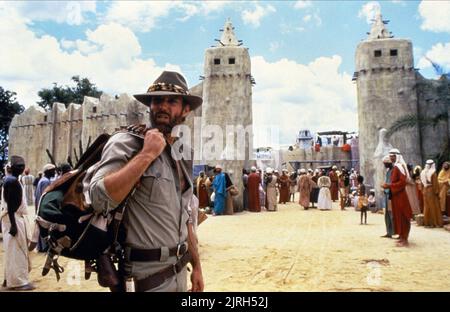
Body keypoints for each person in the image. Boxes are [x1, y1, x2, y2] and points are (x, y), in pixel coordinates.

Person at [89, 71, 203, 292]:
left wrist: (196, 265)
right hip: (145, 278)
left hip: (179, 271)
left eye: (172, 101)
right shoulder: (127, 143)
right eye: (157, 100)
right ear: (150, 106)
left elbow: (186, 216)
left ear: (185, 109)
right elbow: (98, 198)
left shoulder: (183, 155)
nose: (163, 106)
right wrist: (147, 154)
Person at [1, 156, 35, 290]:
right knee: (17, 250)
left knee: (12, 249)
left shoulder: (11, 180)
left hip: (12, 217)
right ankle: (18, 282)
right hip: (13, 218)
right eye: (18, 166)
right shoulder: (12, 181)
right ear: (12, 168)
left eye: (22, 165)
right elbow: (10, 206)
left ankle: (7, 279)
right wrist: (14, 225)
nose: (21, 168)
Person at [382, 149, 412, 247]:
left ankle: (404, 239)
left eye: (393, 156)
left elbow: (402, 182)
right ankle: (401, 236)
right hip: (395, 195)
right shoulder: (395, 167)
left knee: (403, 215)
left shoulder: (399, 167)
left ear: (397, 156)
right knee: (397, 216)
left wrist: (389, 186)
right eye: (390, 156)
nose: (391, 158)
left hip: (400, 195)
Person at [34, 163, 56, 252]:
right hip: (43, 207)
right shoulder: (45, 182)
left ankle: (41, 246)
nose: (54, 172)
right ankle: (44, 247)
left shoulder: (44, 180)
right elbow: (45, 196)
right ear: (48, 172)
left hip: (40, 206)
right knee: (44, 226)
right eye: (53, 171)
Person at [421, 160, 443, 228]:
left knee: (426, 207)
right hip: (431, 190)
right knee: (434, 206)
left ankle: (427, 222)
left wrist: (423, 191)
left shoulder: (422, 172)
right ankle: (435, 223)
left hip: (425, 190)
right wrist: (437, 192)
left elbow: (422, 184)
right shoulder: (433, 173)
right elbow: (435, 184)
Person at [381, 155, 395, 238]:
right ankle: (389, 232)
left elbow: (392, 183)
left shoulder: (394, 171)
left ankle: (393, 231)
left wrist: (386, 186)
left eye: (385, 163)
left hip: (391, 194)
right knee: (387, 214)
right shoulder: (388, 171)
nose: (384, 165)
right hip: (386, 194)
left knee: (391, 214)